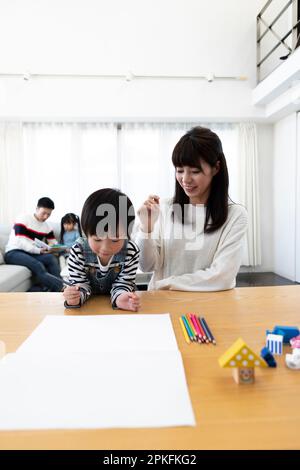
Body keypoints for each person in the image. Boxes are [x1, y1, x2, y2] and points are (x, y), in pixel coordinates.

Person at [134, 126, 248, 291]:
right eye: (179, 170)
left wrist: (166, 283)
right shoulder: (165, 208)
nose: (185, 179)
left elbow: (222, 276)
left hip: (210, 303)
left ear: (216, 168)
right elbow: (146, 266)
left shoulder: (235, 215)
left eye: (195, 171)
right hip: (164, 303)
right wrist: (146, 229)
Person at [63, 188, 141, 311]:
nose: (105, 248)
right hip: (89, 309)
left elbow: (124, 284)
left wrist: (120, 298)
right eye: (97, 240)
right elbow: (80, 285)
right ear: (86, 233)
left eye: (115, 240)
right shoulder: (78, 251)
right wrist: (75, 297)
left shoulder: (130, 252)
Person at [5, 197, 63, 292]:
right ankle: (61, 289)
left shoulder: (47, 226)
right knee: (38, 265)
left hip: (31, 254)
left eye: (49, 214)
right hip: (14, 252)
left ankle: (54, 292)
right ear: (37, 209)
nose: (45, 217)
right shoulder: (23, 218)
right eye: (43, 213)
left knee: (51, 258)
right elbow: (21, 241)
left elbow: (53, 242)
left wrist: (59, 248)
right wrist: (38, 250)